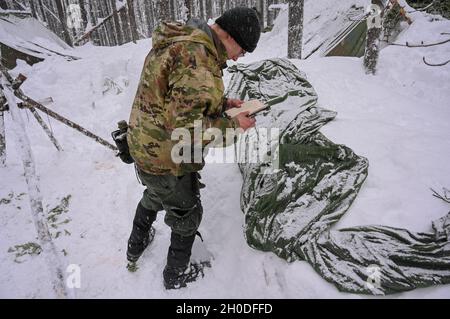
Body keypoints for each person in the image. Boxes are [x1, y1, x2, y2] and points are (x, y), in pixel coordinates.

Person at [126, 7, 261, 290]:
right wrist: (235, 126)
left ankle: (135, 245)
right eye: (242, 50)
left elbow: (173, 97)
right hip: (166, 157)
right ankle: (175, 276)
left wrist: (224, 105)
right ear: (229, 36)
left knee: (154, 194)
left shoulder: (182, 41)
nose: (239, 58)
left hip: (144, 145)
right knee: (187, 214)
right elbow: (188, 131)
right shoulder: (198, 63)